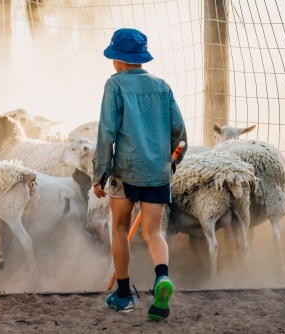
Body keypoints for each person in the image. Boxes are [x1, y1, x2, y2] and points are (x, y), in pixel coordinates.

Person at [92, 28, 188, 320]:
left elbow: (106, 132)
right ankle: (162, 278)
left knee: (119, 228)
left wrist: (100, 174)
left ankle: (123, 296)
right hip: (157, 173)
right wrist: (172, 160)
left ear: (117, 60)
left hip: (125, 171)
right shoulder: (162, 86)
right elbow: (179, 133)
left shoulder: (115, 85)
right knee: (153, 232)